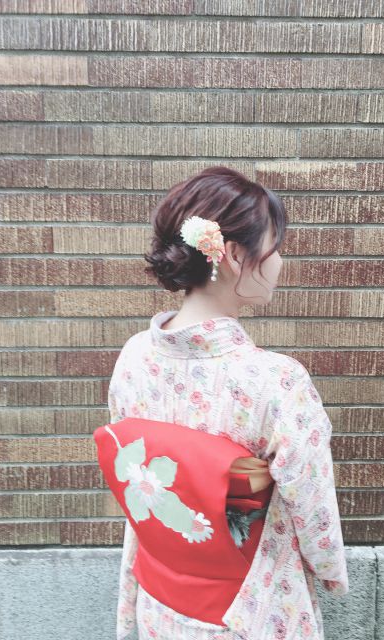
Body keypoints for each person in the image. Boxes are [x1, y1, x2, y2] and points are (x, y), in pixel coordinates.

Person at [106, 166, 349, 640]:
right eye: (276, 248)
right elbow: (313, 509)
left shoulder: (134, 356)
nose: (280, 263)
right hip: (248, 608)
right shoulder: (276, 380)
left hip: (160, 595)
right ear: (236, 255)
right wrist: (330, 570)